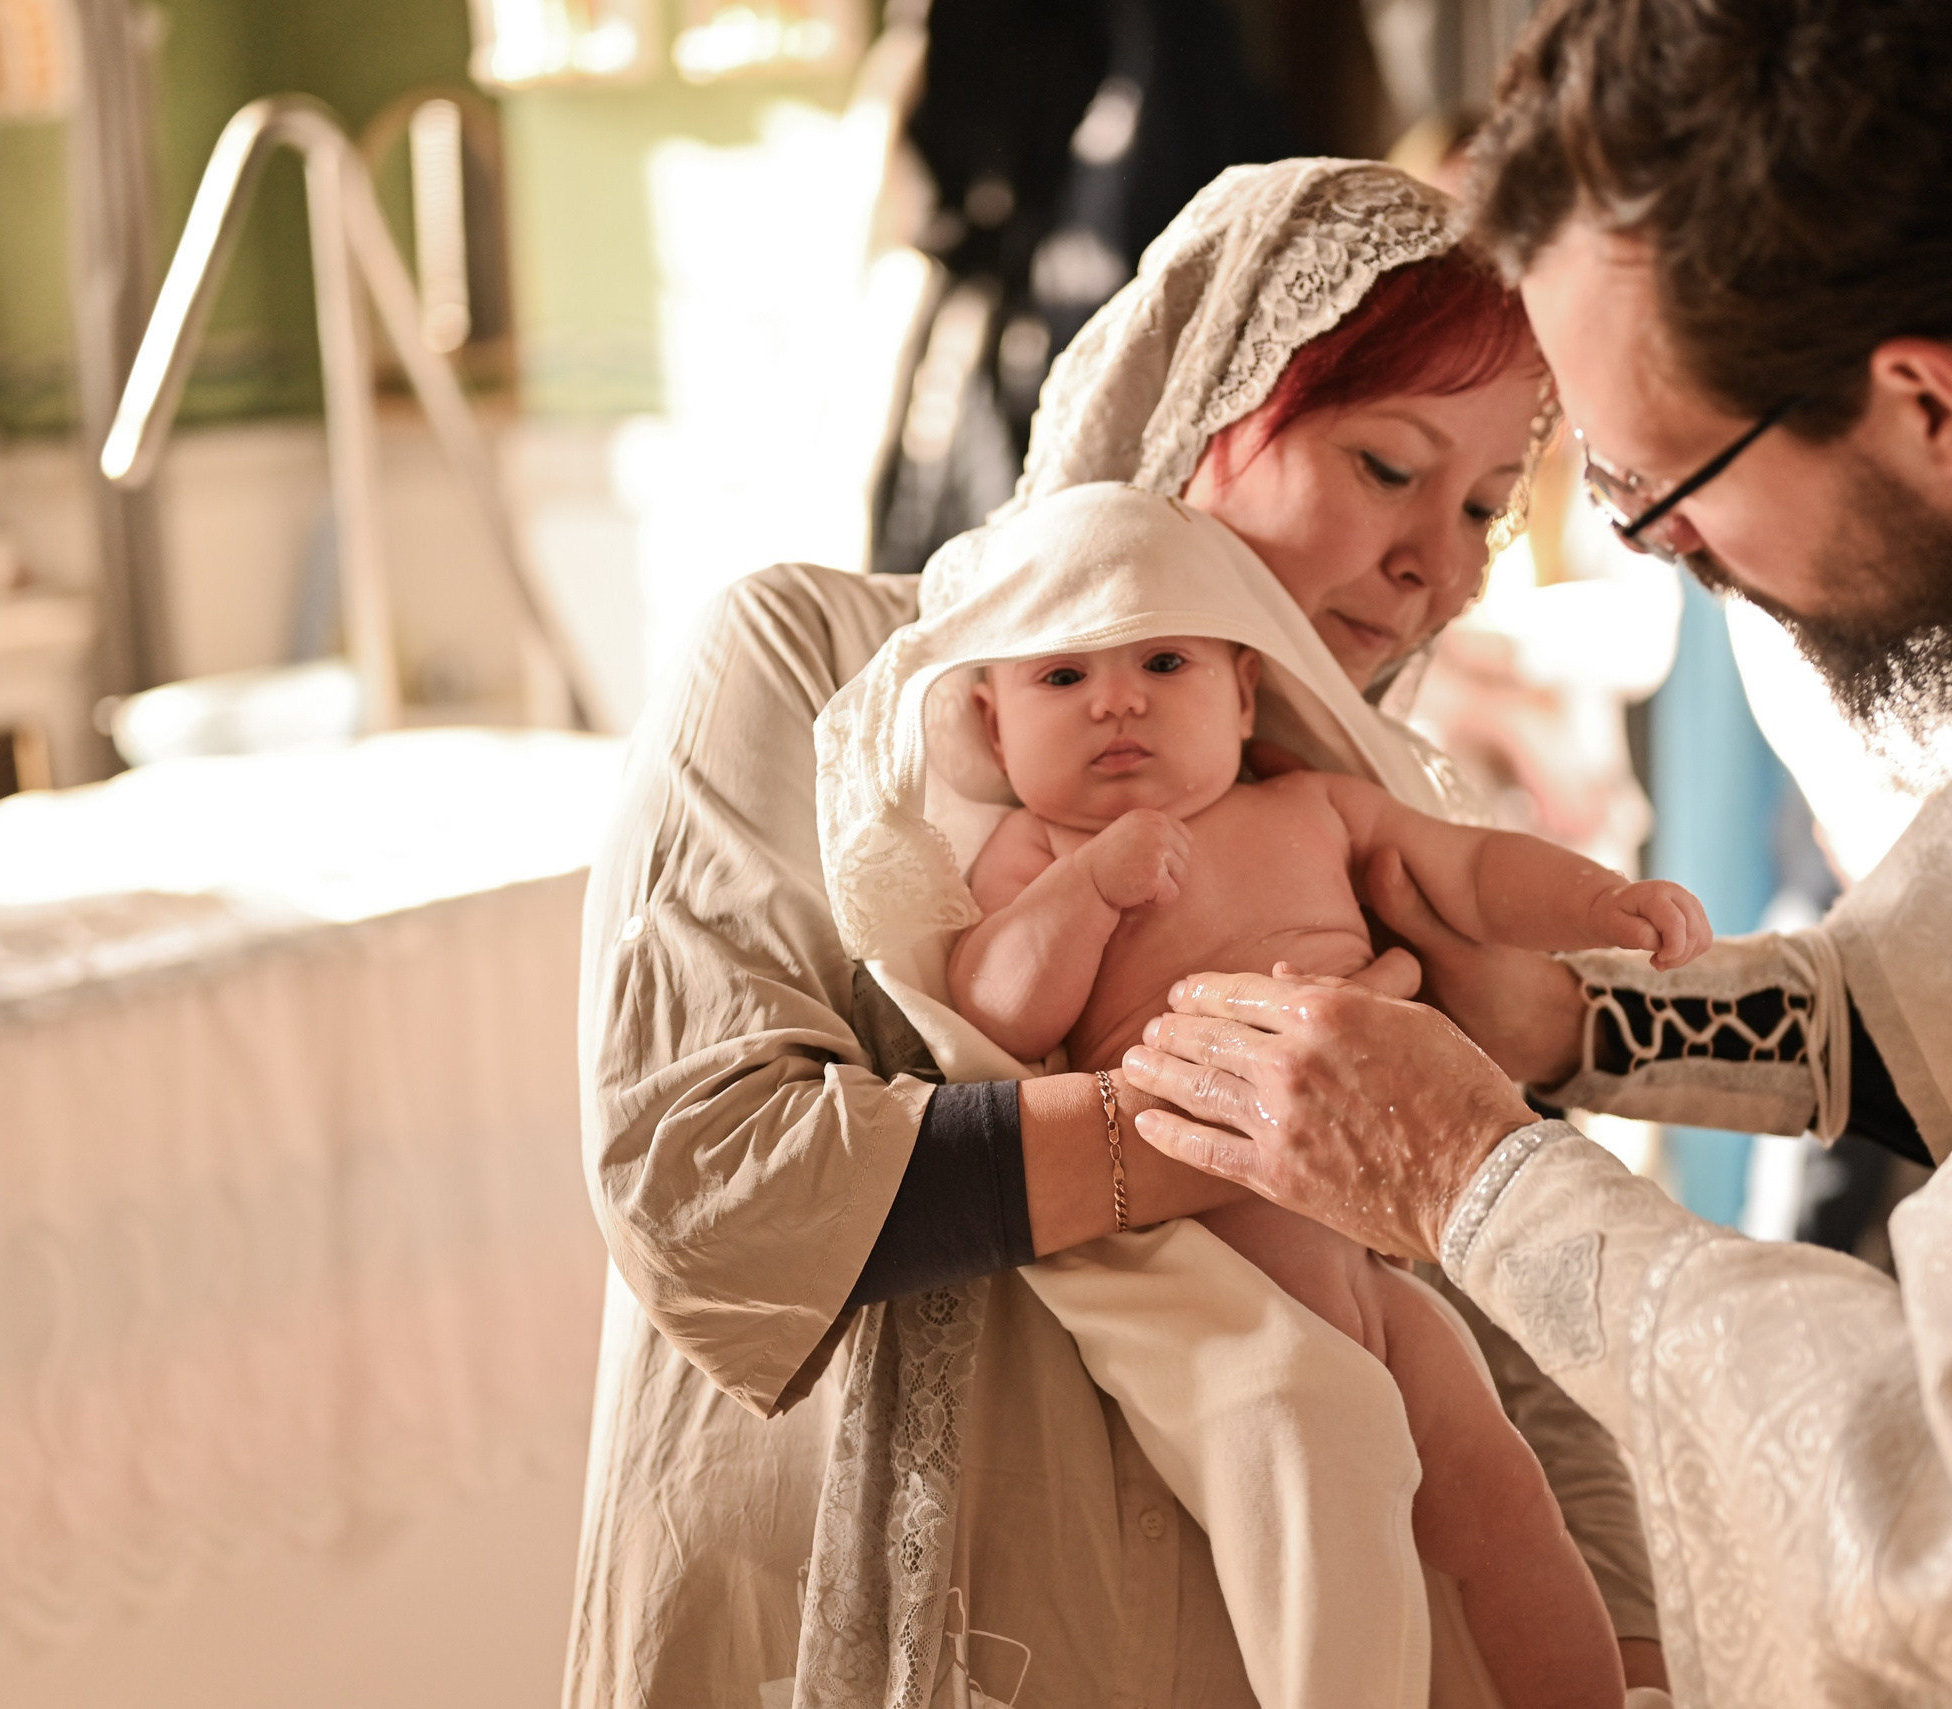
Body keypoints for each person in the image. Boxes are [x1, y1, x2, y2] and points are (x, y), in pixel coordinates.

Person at [1122, 5, 1952, 1705]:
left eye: (1660, 485)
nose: (1667, 551)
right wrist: (1569, 1026)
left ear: (1924, 396)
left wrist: (1472, 1176)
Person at [567, 160, 1671, 1709]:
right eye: (1383, 463)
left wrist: (1630, 1656)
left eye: (1486, 503)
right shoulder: (817, 667)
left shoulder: (1378, 821)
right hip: (866, 1621)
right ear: (1203, 397)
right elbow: (710, 1180)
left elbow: (1496, 1293)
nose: (1442, 558)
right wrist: (1256, 1127)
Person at [822, 480, 1705, 1707]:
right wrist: (1092, 889)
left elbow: (1467, 868)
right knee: (1320, 1479)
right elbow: (996, 1005)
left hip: (1379, 1255)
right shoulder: (1033, 851)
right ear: (988, 712)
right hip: (1223, 1264)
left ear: (1243, 688)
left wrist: (1596, 903)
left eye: (1164, 660)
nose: (1117, 698)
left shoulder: (1312, 806)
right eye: (1061, 678)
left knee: (1497, 1494)